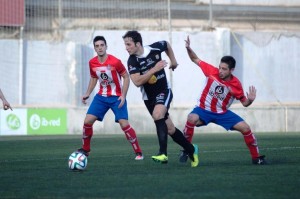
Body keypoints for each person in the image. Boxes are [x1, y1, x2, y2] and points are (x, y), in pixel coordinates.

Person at [180, 35, 266, 165]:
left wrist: (250, 100)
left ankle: (256, 158)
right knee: (191, 118)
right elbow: (195, 59)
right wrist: (188, 48)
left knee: (246, 128)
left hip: (222, 113)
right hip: (203, 109)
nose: (220, 71)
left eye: (224, 69)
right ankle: (187, 149)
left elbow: (244, 103)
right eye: (220, 67)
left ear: (232, 70)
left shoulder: (236, 84)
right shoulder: (211, 71)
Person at [122, 30, 199, 167]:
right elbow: (137, 81)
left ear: (138, 44)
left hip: (164, 91)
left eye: (128, 44)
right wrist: (154, 69)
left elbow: (167, 44)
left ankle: (163, 153)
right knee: (170, 129)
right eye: (125, 45)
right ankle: (192, 150)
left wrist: (173, 61)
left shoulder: (154, 48)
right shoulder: (132, 61)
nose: (126, 48)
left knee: (158, 114)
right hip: (149, 98)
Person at [77, 36, 144, 160]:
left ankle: (138, 152)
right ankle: (86, 150)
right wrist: (87, 93)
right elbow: (94, 78)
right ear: (95, 48)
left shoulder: (115, 62)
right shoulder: (92, 62)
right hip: (101, 97)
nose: (100, 48)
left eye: (102, 45)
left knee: (124, 124)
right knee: (87, 121)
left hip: (116, 98)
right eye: (97, 46)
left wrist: (123, 95)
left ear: (106, 46)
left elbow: (126, 77)